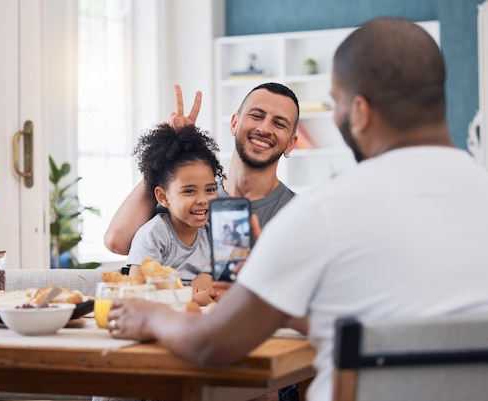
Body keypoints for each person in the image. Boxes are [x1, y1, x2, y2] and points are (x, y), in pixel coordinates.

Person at [105, 17, 488, 401]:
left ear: (360, 112)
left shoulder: (321, 213)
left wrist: (151, 315)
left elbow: (214, 345)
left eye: (336, 104)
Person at [104, 82, 300, 256]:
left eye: (279, 123)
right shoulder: (191, 195)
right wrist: (166, 154)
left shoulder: (298, 213)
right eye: (256, 115)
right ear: (234, 123)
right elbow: (118, 242)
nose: (264, 129)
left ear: (291, 144)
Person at [126, 123, 223, 304]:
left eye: (210, 190)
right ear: (163, 197)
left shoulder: (213, 233)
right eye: (189, 191)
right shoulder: (153, 236)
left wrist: (207, 276)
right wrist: (191, 298)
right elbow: (136, 294)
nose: (203, 199)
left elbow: (228, 286)